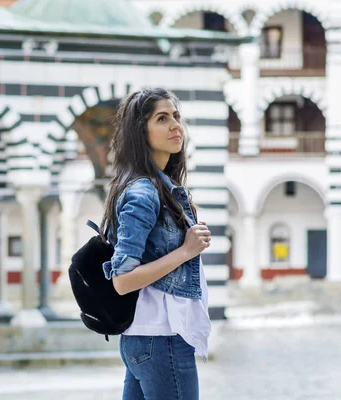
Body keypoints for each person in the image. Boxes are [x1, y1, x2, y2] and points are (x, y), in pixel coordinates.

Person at [101, 88, 212, 400]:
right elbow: (122, 280)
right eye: (162, 119)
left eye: (176, 116)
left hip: (147, 338)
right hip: (161, 338)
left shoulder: (160, 188)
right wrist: (186, 250)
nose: (176, 125)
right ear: (141, 132)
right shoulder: (143, 193)